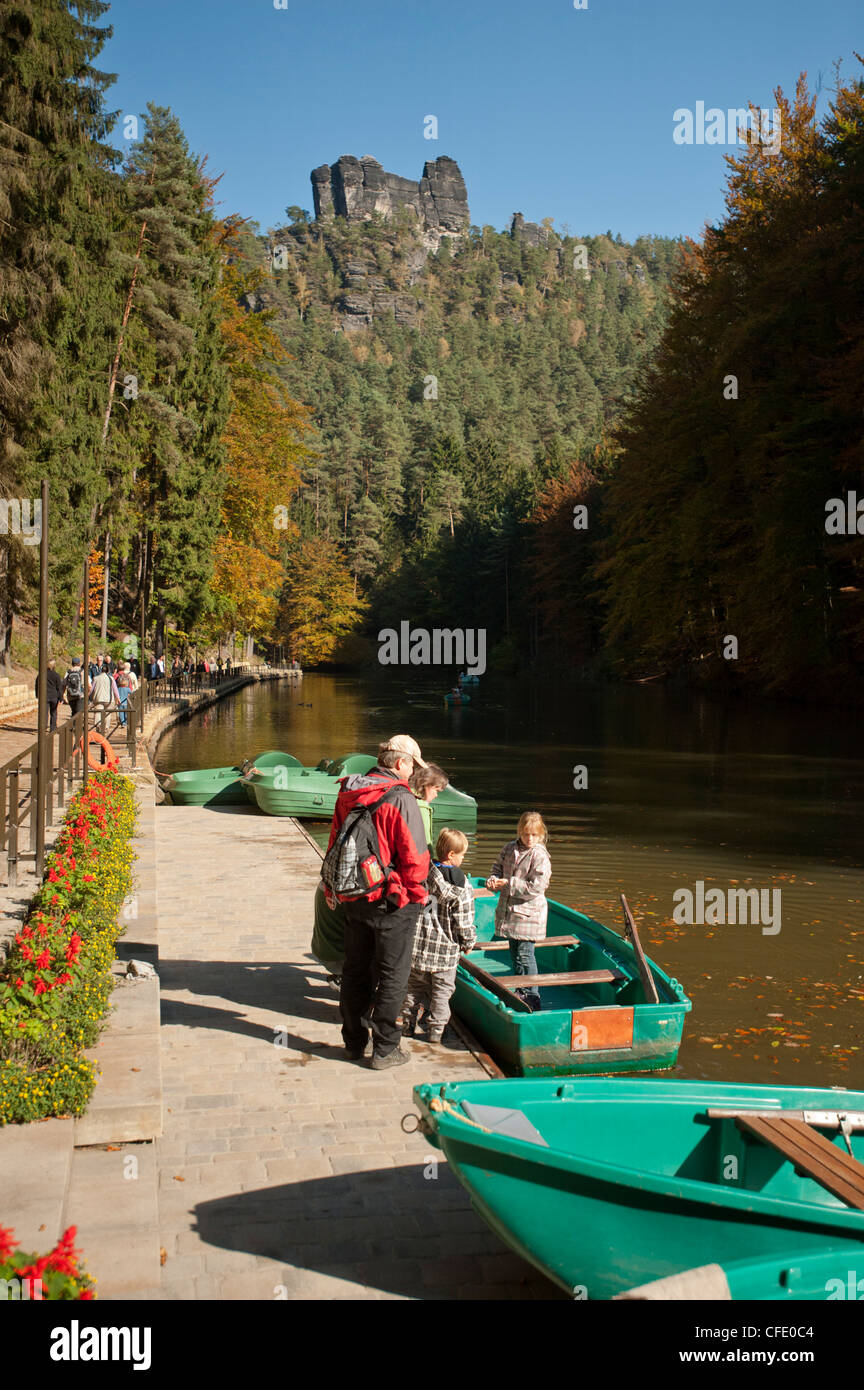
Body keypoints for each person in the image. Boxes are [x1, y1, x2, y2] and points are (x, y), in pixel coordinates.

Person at [327, 735, 430, 1070]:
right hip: (392, 900)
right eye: (413, 765)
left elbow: (335, 840)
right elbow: (414, 858)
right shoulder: (401, 797)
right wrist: (417, 895)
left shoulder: (349, 790)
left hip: (354, 895)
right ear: (400, 763)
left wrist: (333, 887)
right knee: (393, 974)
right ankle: (385, 1049)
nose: (414, 772)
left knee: (355, 970)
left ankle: (353, 1043)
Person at [402, 827, 475, 1044]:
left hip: (418, 947)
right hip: (445, 954)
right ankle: (435, 1031)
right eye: (462, 854)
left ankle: (407, 1025)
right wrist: (468, 941)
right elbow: (464, 920)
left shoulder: (422, 874)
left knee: (413, 989)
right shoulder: (462, 886)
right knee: (442, 993)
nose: (463, 858)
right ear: (452, 855)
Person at [486, 812, 552, 1012]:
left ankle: (533, 995)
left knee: (526, 954)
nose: (529, 838)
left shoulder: (540, 855)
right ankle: (520, 989)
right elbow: (497, 867)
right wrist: (493, 878)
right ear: (519, 832)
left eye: (533, 834)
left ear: (540, 834)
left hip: (529, 913)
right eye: (525, 834)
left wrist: (509, 883)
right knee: (514, 952)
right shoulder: (509, 848)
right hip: (510, 911)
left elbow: (537, 886)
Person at [408, 762, 448, 850]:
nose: (436, 795)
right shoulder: (421, 808)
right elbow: (425, 841)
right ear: (426, 785)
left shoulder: (404, 797)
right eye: (436, 790)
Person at [36, 657, 64, 734]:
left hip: (44, 696)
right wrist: (61, 698)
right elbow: (59, 688)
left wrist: (37, 695)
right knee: (53, 713)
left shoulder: (41, 674)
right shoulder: (56, 675)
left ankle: (43, 727)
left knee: (44, 713)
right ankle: (53, 728)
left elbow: (37, 684)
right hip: (54, 696)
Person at [63, 657, 86, 723]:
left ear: (72, 663)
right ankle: (78, 729)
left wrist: (63, 695)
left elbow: (64, 684)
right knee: (79, 713)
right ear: (79, 663)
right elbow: (89, 685)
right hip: (80, 695)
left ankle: (73, 727)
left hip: (70, 695)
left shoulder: (68, 672)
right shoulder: (82, 671)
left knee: (73, 712)